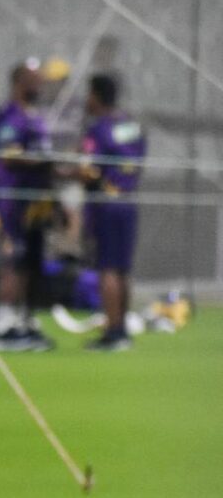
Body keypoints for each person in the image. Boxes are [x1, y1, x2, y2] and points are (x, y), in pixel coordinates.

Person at [0, 59, 56, 351]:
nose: (40, 84)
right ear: (19, 82)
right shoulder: (9, 116)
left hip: (36, 203)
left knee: (30, 264)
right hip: (12, 200)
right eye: (34, 79)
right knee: (13, 259)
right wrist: (46, 162)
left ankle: (23, 321)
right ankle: (2, 325)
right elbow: (8, 156)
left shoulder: (36, 116)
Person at [78, 72, 146, 351]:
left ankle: (112, 332)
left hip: (106, 204)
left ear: (96, 95)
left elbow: (88, 170)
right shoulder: (132, 126)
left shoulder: (98, 129)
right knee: (122, 269)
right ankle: (123, 329)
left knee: (107, 268)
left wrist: (62, 171)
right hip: (128, 200)